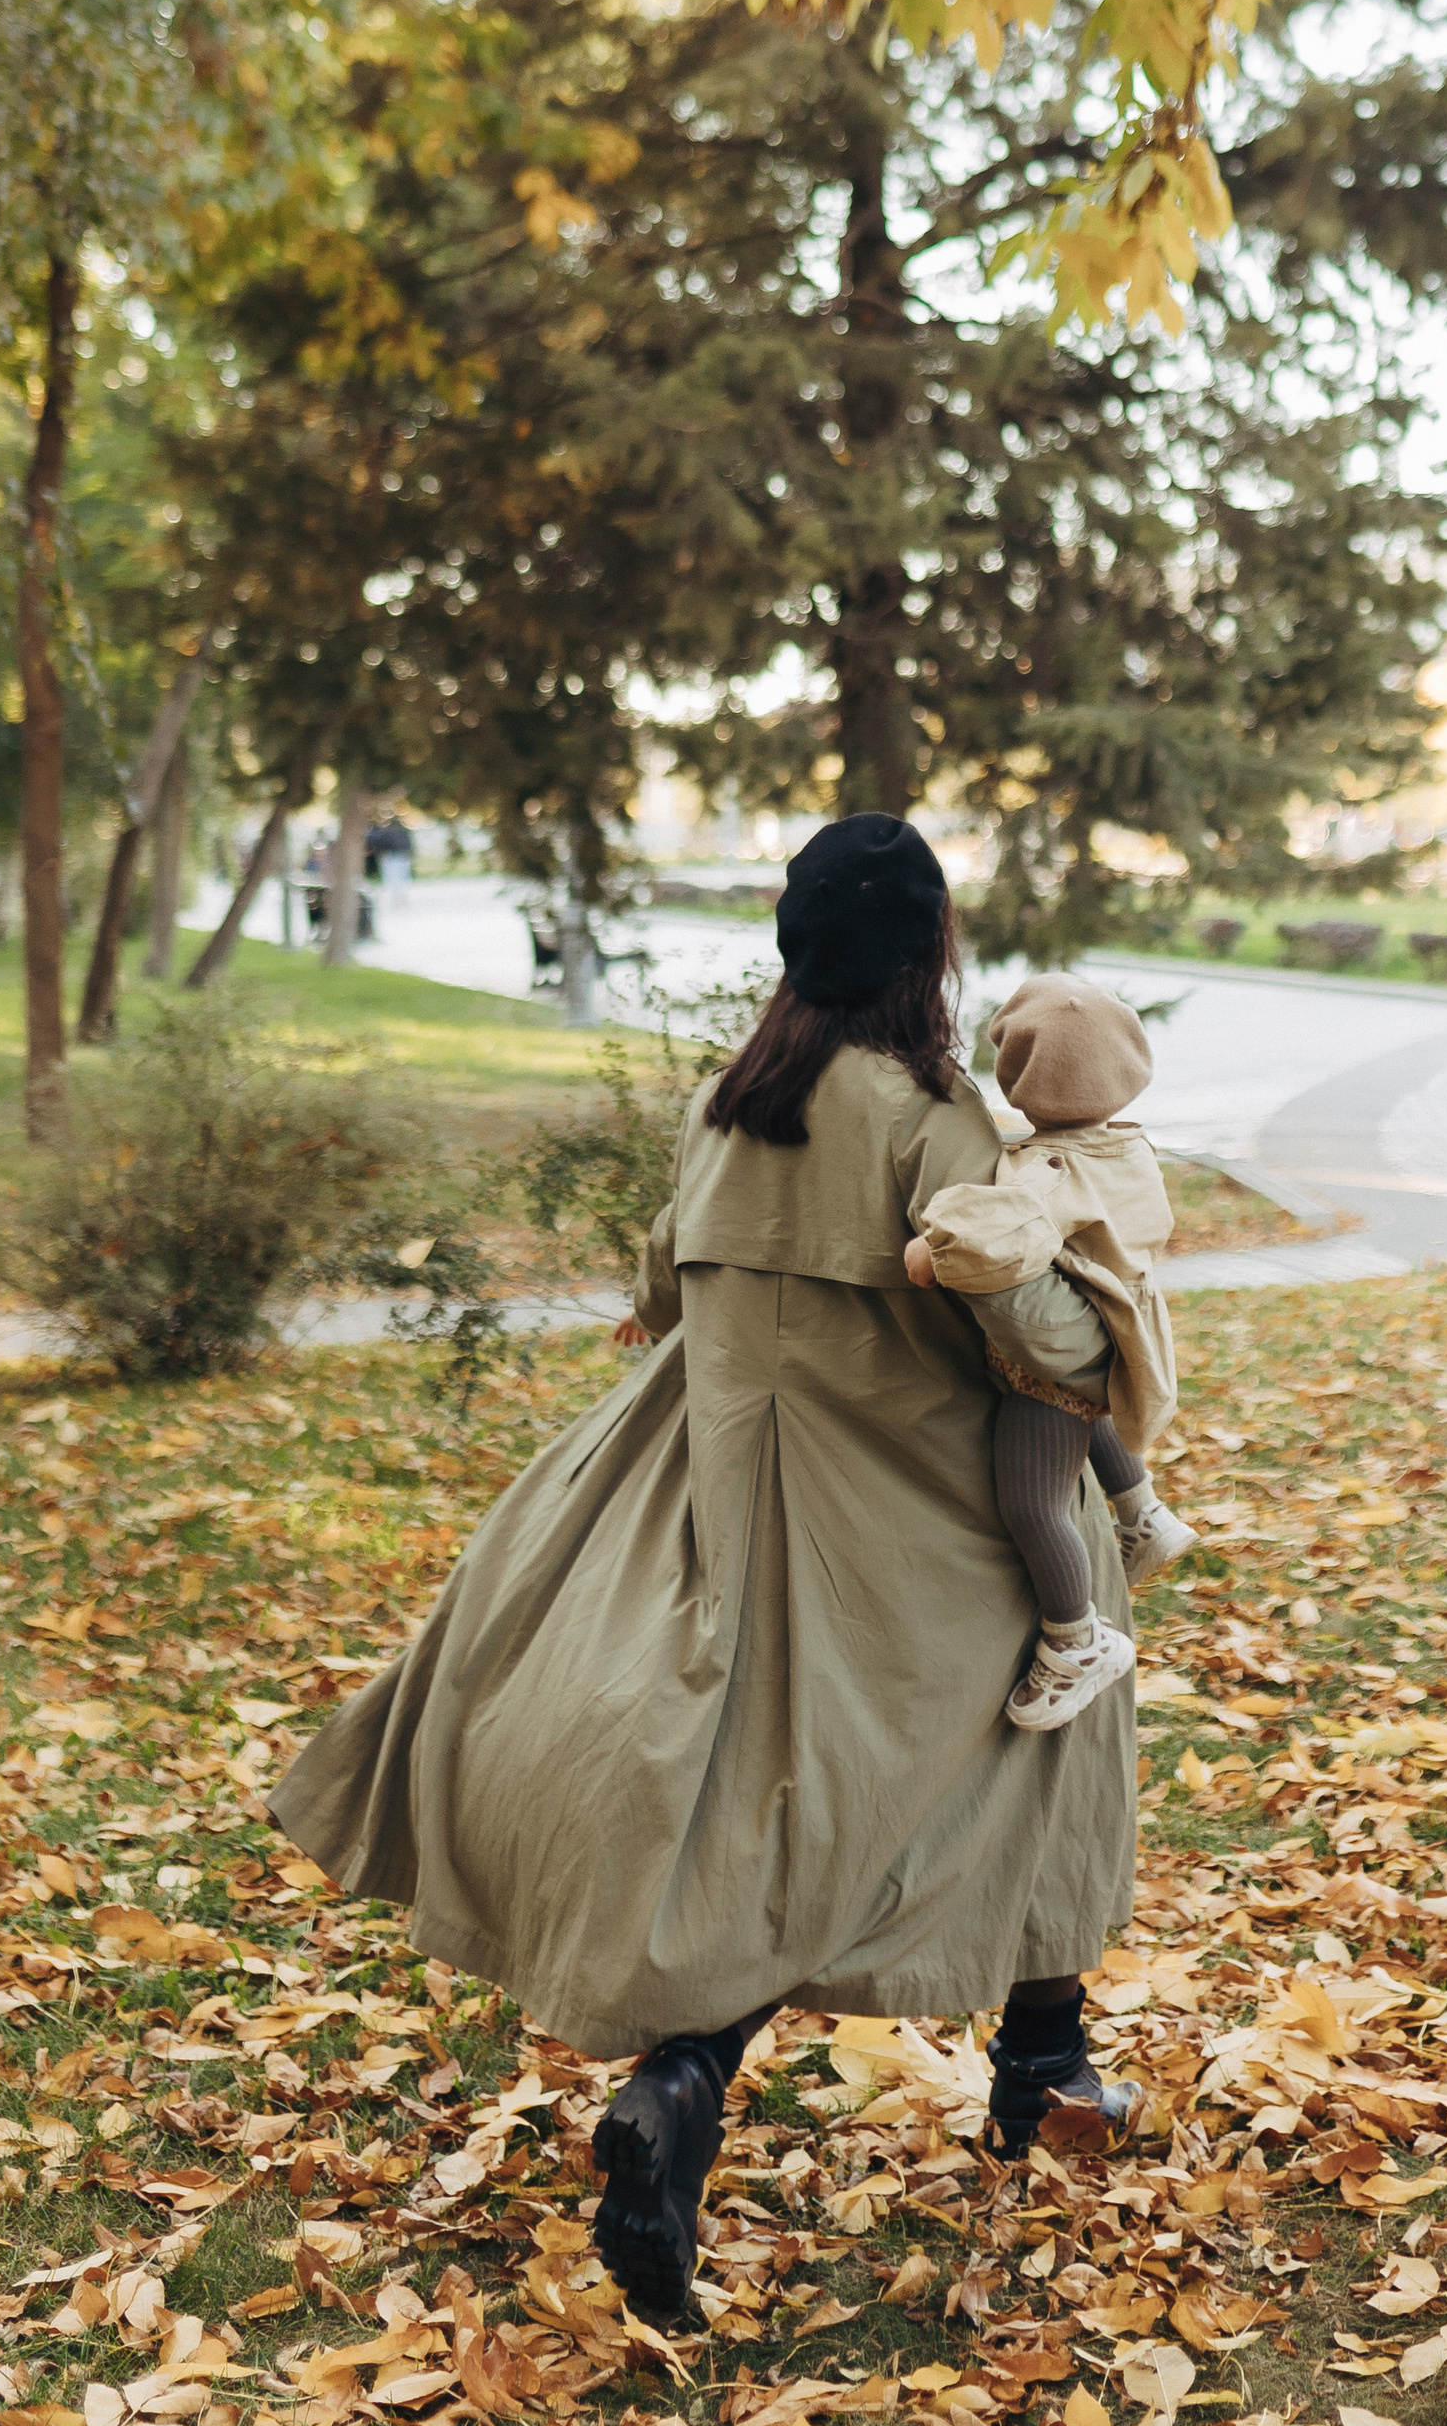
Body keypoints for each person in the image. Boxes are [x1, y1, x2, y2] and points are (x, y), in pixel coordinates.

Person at [268, 813, 1139, 2328]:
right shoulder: (938, 1122)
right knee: (1055, 1670)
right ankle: (1015, 2067)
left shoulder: (730, 1104)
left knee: (762, 1805)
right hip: (902, 1516)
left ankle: (731, 2079)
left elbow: (663, 1290)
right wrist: (1108, 1302)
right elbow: (1042, 1342)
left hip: (718, 1488)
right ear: (929, 952)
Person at [906, 974, 1195, 1731]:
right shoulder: (1128, 1146)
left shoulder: (1048, 1174)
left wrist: (928, 1251)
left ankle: (1076, 1640)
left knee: (1033, 1503)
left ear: (1018, 1072)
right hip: (1123, 1328)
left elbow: (1002, 1234)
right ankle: (1142, 1510)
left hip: (1053, 1373)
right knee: (1092, 1401)